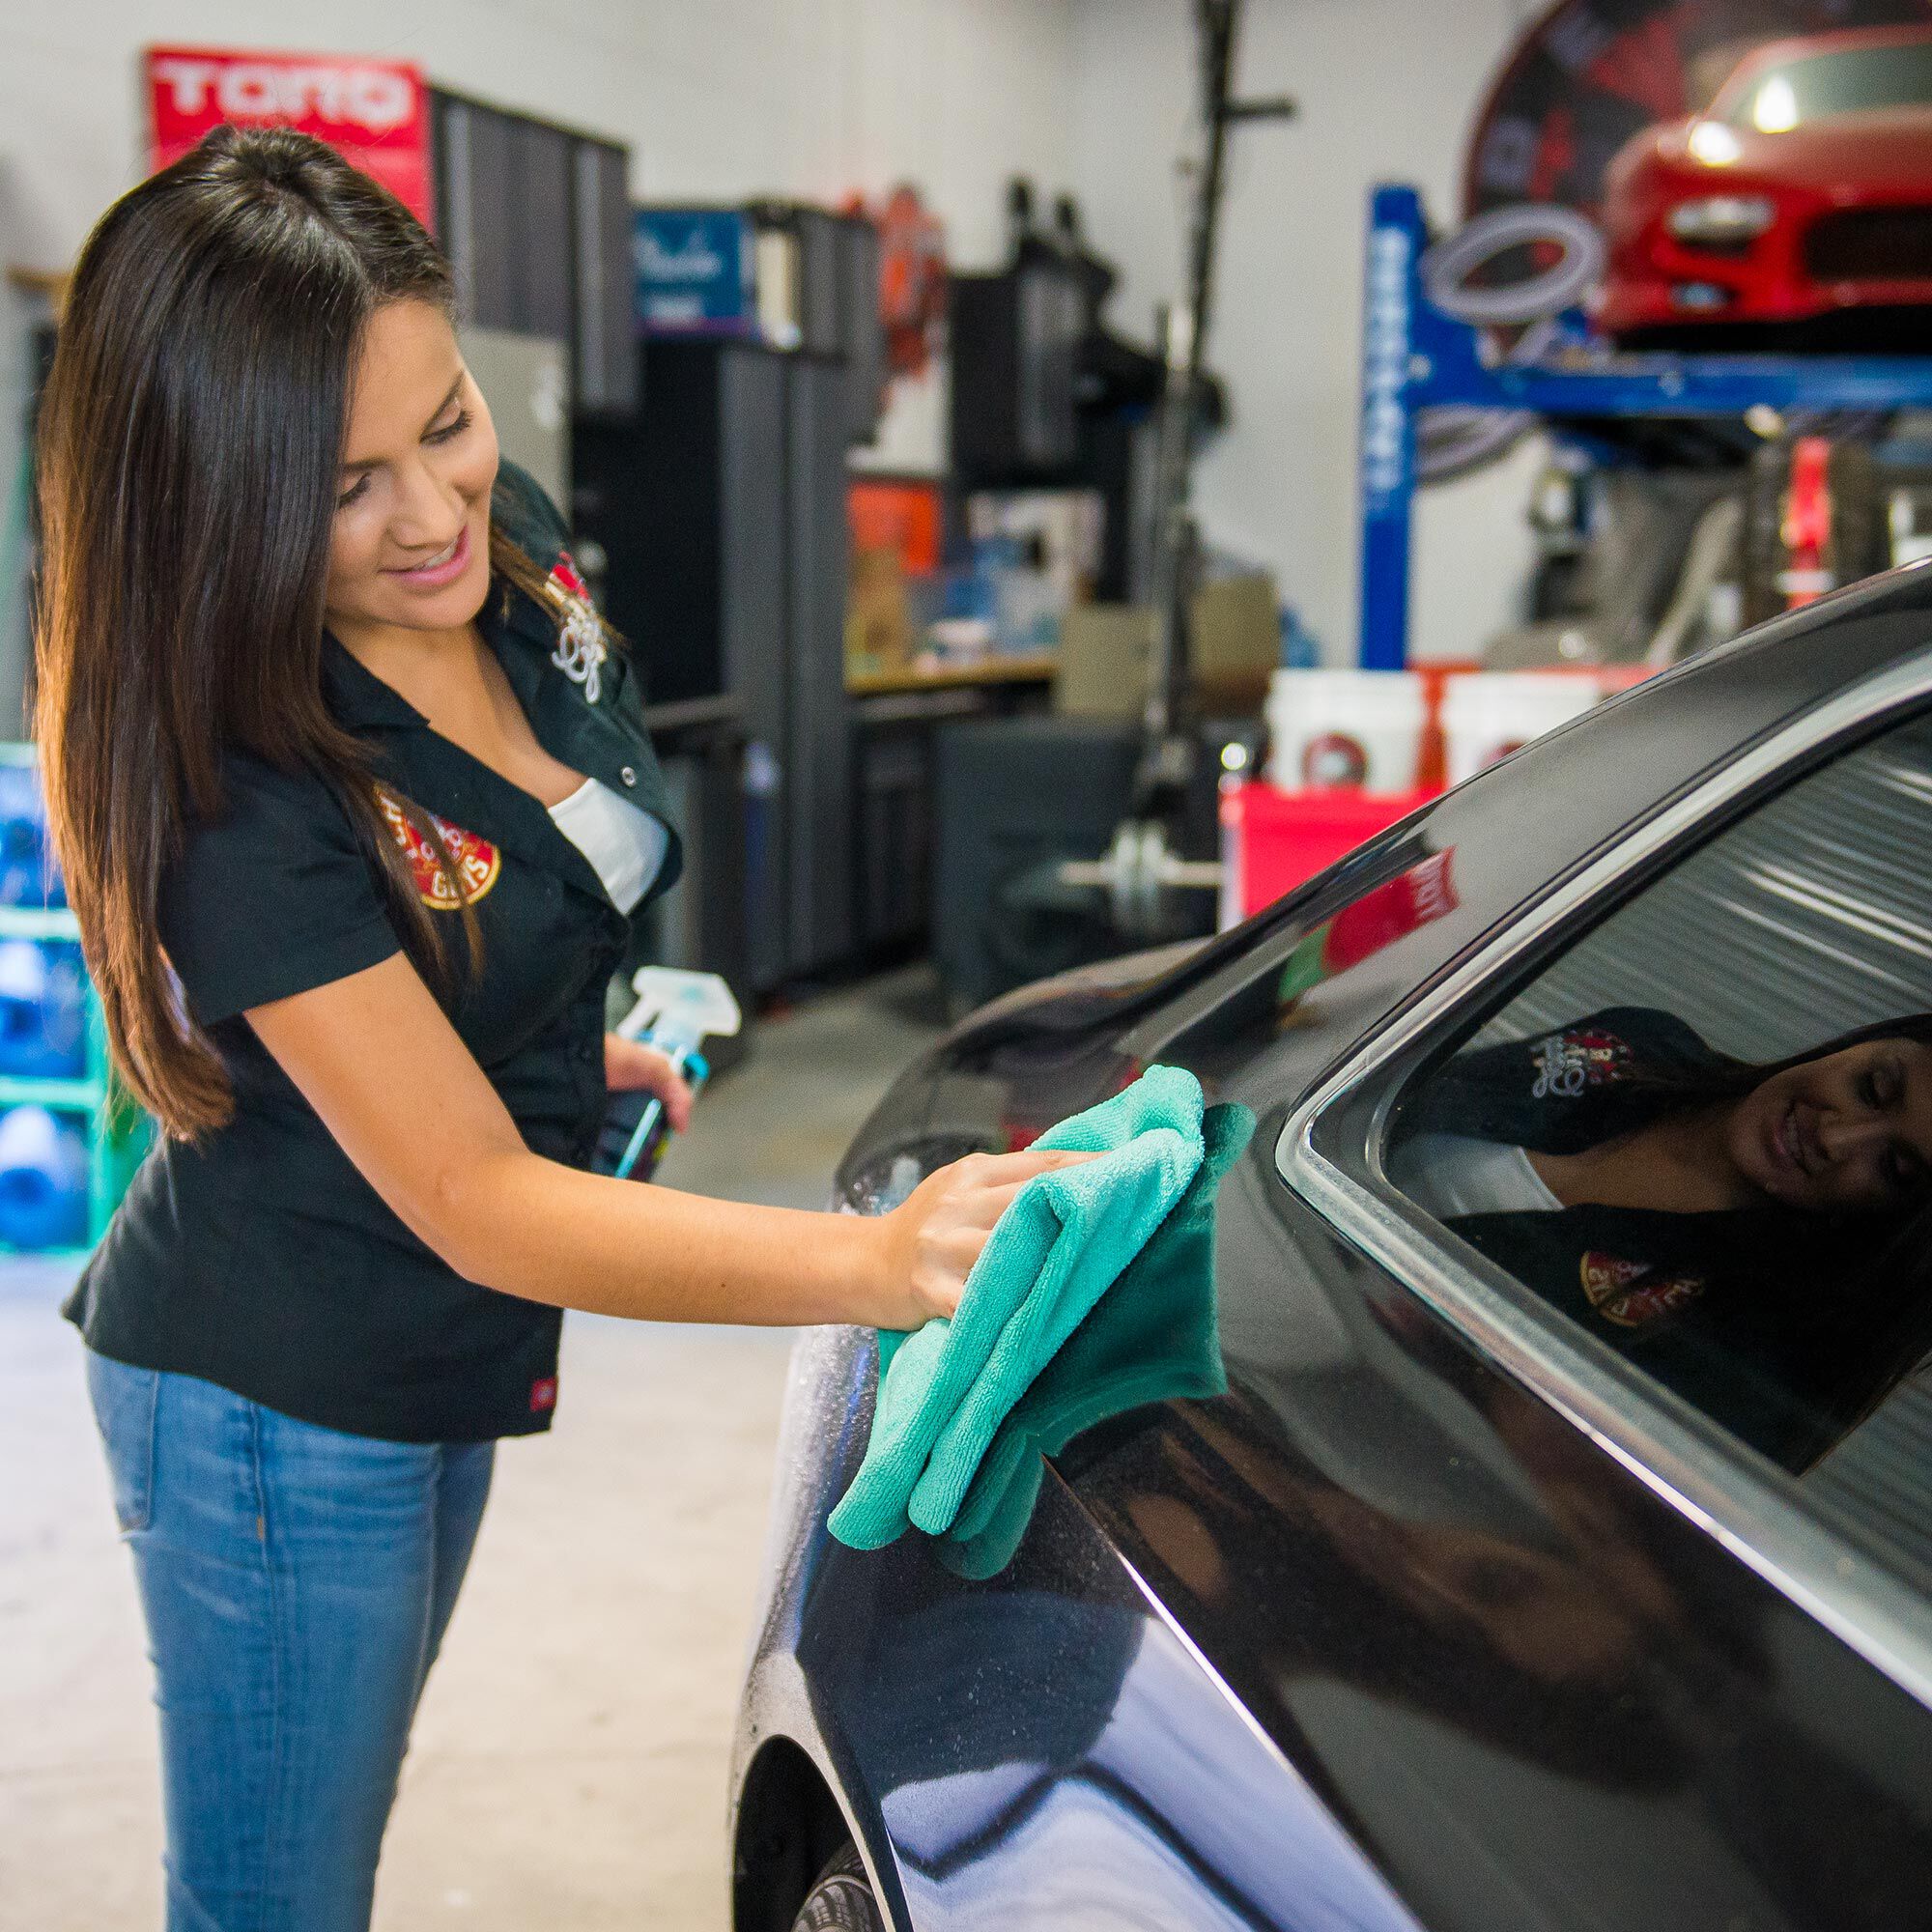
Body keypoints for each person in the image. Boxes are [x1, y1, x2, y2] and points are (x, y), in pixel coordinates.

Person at [37, 127, 1088, 1932]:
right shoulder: (240, 785)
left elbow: (510, 895)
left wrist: (538, 1037)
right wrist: (879, 1264)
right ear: (215, 506)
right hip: (277, 1395)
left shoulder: (501, 548)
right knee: (277, 1902)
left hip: (436, 1348)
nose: (433, 515)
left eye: (446, 422)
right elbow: (469, 1196)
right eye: (344, 486)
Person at [1388, 1005, 1932, 1466]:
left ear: (1898, 1219)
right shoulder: (1638, 1044)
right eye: (1874, 1088)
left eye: (1893, 1166)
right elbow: (1385, 1094)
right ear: (1865, 1042)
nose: (1836, 1137)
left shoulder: (1736, 1358)